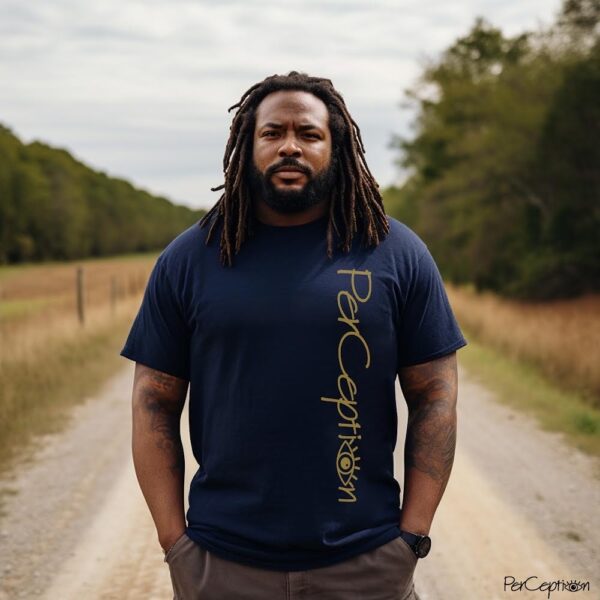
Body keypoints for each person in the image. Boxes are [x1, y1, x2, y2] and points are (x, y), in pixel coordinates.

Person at [121, 71, 466, 600]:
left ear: (337, 145)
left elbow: (436, 395)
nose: (289, 146)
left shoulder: (395, 252)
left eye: (308, 133)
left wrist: (411, 539)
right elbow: (152, 402)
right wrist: (177, 545)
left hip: (365, 564)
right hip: (223, 565)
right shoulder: (190, 259)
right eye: (272, 133)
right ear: (246, 144)